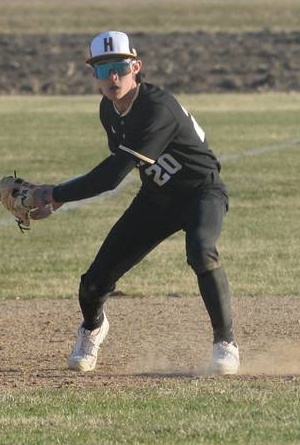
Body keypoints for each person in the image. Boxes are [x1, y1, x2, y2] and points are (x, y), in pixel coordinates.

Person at [30, 31, 239, 375]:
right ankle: (93, 328)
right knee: (94, 282)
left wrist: (55, 194)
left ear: (136, 68)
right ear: (94, 75)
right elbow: (116, 167)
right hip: (156, 199)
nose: (113, 77)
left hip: (201, 192)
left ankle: (225, 344)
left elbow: (112, 177)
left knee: (202, 252)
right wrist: (59, 198)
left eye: (120, 67)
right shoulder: (108, 110)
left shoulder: (157, 108)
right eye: (103, 69)